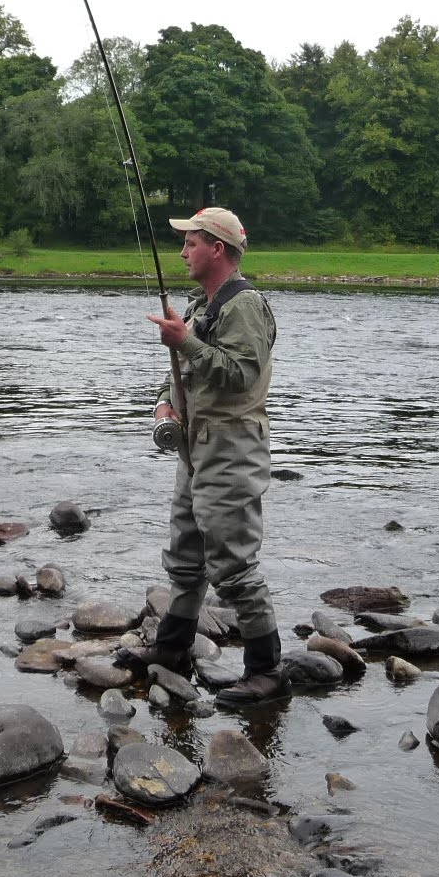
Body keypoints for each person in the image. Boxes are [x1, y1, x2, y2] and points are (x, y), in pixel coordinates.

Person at [115, 206, 288, 707]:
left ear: (217, 248)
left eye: (191, 243)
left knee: (233, 564)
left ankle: (268, 671)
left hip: (233, 447)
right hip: (195, 445)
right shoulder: (201, 305)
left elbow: (240, 375)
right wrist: (165, 403)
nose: (183, 251)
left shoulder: (245, 306)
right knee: (186, 557)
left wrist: (185, 342)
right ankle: (172, 650)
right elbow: (187, 373)